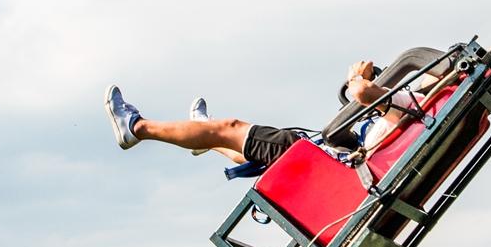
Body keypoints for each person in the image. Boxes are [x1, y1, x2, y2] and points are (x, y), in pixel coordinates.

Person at [104, 59, 438, 174]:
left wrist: (357, 76)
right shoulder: (424, 116)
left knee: (230, 128)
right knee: (238, 139)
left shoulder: (415, 104)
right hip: (334, 159)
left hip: (324, 162)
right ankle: (202, 133)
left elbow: (362, 94)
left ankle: (137, 128)